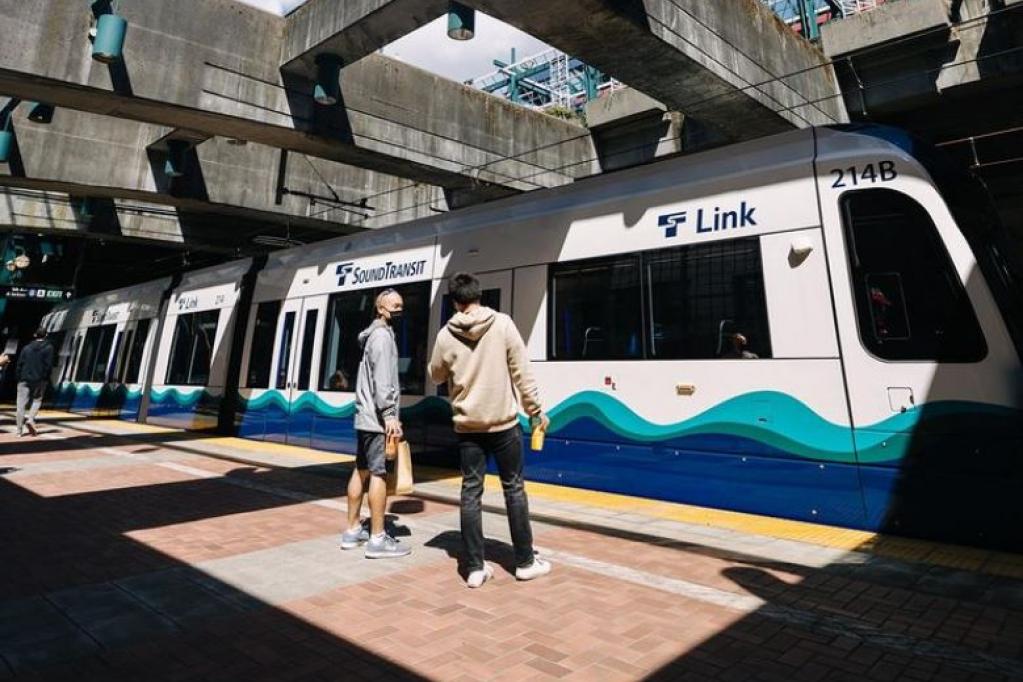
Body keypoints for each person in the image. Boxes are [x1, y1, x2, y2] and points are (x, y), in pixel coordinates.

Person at [429, 272, 552, 588]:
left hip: (468, 426)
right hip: (504, 424)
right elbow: (522, 373)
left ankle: (473, 568)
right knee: (514, 488)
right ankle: (525, 562)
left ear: (455, 301)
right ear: (479, 296)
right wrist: (536, 412)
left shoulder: (445, 334)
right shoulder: (502, 324)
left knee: (471, 491)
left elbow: (436, 375)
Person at [340, 288, 411, 559]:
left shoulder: (374, 335)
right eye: (394, 305)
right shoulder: (382, 337)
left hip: (365, 417)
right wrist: (390, 415)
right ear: (380, 309)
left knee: (361, 470)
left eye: (401, 305)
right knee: (379, 473)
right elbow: (383, 382)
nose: (399, 309)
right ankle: (378, 538)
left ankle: (352, 530)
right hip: (378, 420)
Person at [16, 329, 54, 437]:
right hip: (40, 380)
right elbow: (48, 365)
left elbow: (19, 364)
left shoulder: (26, 348)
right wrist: (45, 378)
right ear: (46, 335)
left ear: (34, 335)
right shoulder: (49, 348)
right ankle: (30, 419)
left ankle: (19, 431)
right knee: (37, 400)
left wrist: (19, 377)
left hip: (24, 379)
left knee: (20, 405)